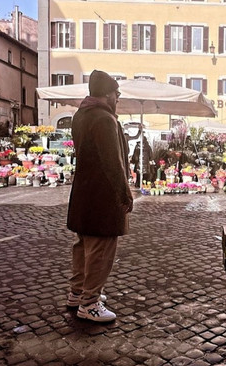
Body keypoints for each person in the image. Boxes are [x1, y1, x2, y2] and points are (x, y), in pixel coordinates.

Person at [66, 70, 133, 322]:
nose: (118, 98)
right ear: (107, 95)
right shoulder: (105, 120)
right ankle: (90, 302)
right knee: (100, 249)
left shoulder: (80, 116)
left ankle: (77, 292)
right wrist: (124, 193)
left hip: (84, 192)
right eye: (117, 94)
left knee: (83, 246)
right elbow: (112, 163)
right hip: (102, 196)